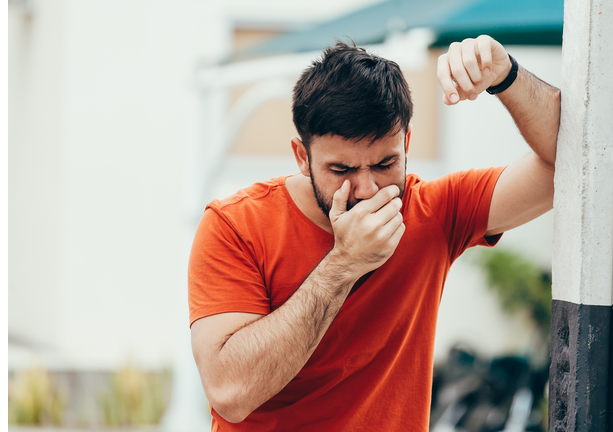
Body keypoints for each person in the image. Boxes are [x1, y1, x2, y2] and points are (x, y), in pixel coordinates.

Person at [188, 35, 560, 431]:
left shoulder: (435, 211)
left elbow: (569, 163)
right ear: (302, 157)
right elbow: (230, 392)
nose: (367, 190)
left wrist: (507, 76)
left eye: (385, 163)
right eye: (342, 170)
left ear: (407, 144)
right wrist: (343, 265)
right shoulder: (235, 225)